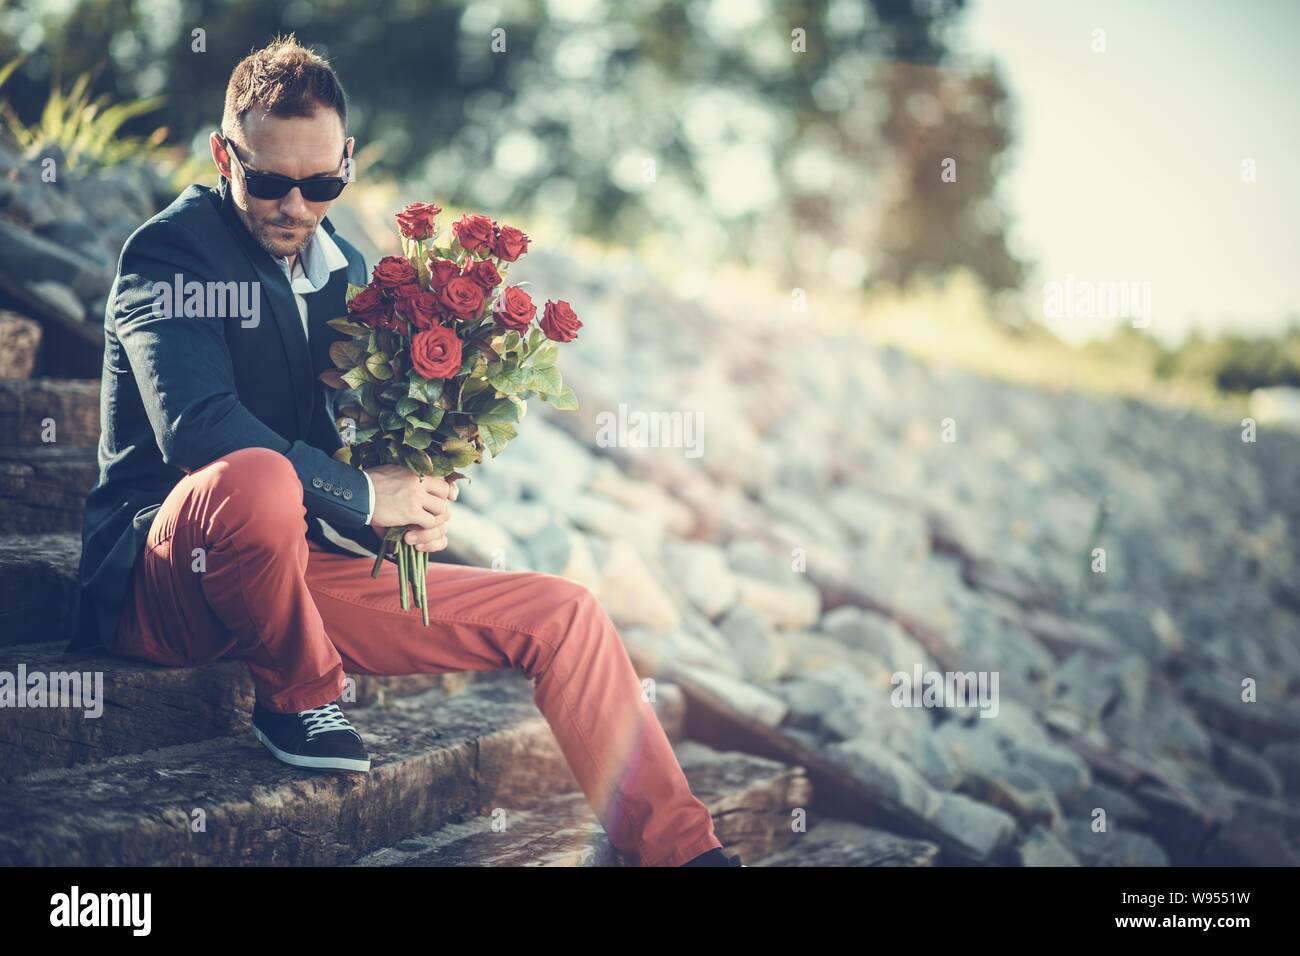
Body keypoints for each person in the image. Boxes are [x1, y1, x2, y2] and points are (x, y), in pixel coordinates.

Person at [72, 34, 741, 868]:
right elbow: (196, 426)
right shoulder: (169, 253)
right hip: (167, 577)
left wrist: (408, 502)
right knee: (255, 475)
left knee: (566, 615)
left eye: (321, 184)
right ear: (222, 154)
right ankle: (302, 702)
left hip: (293, 572)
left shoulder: (349, 267)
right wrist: (360, 493)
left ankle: (682, 851)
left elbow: (348, 440)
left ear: (346, 162)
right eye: (269, 180)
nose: (294, 205)